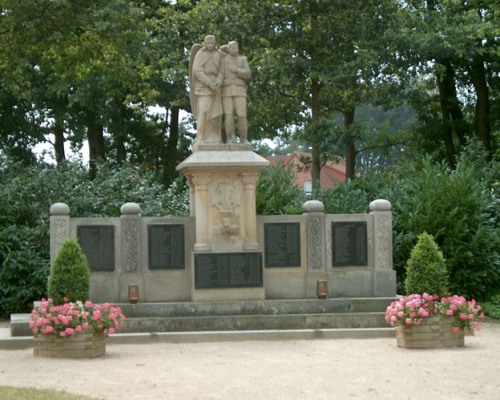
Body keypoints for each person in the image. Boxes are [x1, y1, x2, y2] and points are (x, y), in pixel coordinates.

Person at [189, 35, 224, 148]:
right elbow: (197, 71)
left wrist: (218, 81)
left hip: (216, 85)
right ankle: (200, 137)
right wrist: (209, 83)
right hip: (204, 85)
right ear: (205, 43)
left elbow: (222, 71)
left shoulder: (218, 54)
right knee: (203, 111)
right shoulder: (200, 54)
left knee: (215, 114)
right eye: (208, 43)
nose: (210, 45)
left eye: (212, 43)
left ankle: (215, 137)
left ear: (214, 43)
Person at [221, 41, 251, 144]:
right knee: (228, 115)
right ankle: (229, 138)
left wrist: (237, 70)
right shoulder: (223, 61)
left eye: (236, 48)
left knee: (242, 115)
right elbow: (220, 75)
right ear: (228, 49)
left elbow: (248, 74)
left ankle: (244, 138)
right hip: (227, 90)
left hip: (240, 90)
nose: (235, 50)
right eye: (232, 48)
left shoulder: (242, 60)